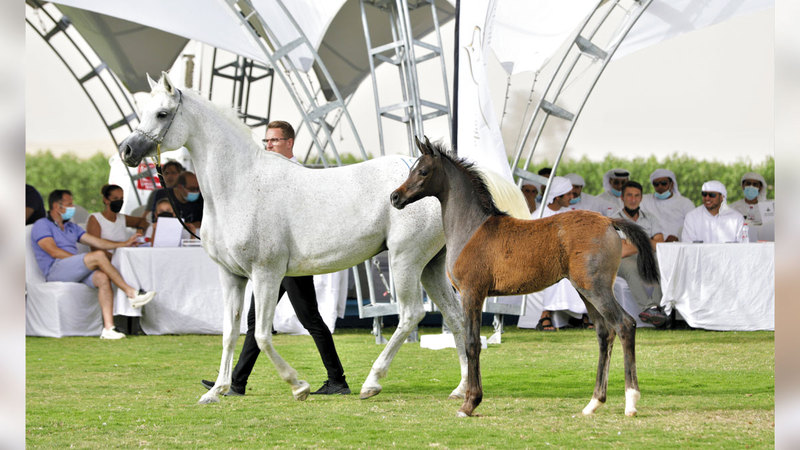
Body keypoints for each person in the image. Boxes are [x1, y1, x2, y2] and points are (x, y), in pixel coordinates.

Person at [201, 120, 350, 396]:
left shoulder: (296, 173)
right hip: (270, 261)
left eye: (274, 141)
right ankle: (236, 382)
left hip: (292, 261)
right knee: (256, 321)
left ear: (289, 143)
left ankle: (337, 380)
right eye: (266, 141)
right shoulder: (268, 174)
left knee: (309, 318)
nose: (269, 146)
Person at [31, 189, 156, 339]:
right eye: (69, 204)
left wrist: (124, 243)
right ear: (57, 206)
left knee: (102, 277)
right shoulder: (42, 224)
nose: (73, 207)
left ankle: (109, 328)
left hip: (72, 269)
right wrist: (82, 261)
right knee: (97, 256)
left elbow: (96, 241)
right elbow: (53, 252)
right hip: (55, 270)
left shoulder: (71, 226)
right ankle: (131, 292)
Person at [529, 176, 590, 330]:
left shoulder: (570, 214)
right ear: (557, 197)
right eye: (568, 194)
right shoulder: (538, 215)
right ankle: (545, 315)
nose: (572, 196)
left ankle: (583, 314)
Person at [612, 181, 667, 327]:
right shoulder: (614, 220)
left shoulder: (650, 218)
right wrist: (647, 242)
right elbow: (622, 251)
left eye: (637, 195)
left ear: (641, 198)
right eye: (629, 195)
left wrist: (633, 243)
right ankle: (648, 308)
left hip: (644, 257)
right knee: (632, 267)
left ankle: (656, 307)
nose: (633, 199)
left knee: (658, 261)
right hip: (620, 260)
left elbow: (660, 245)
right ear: (622, 198)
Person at [86, 184, 150, 259]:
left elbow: (143, 221)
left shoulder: (121, 218)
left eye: (121, 198)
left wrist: (140, 231)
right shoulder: (96, 218)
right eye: (115, 198)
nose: (119, 202)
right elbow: (95, 248)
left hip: (124, 257)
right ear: (106, 200)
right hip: (106, 261)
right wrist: (116, 259)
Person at [640, 169, 695, 242]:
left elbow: (693, 227)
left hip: (677, 246)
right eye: (656, 184)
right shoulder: (645, 200)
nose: (660, 186)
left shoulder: (685, 203)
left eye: (663, 183)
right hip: (652, 247)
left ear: (672, 184)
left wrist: (678, 237)